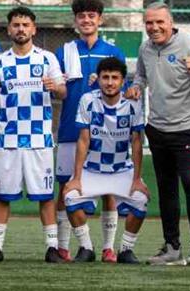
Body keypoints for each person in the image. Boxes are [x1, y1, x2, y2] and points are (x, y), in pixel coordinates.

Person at [126, 2, 190, 267]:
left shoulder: (189, 44)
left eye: (159, 23)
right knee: (166, 190)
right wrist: (135, 87)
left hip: (188, 128)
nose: (154, 28)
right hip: (157, 128)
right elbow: (140, 77)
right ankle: (171, 247)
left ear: (171, 22)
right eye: (149, 23)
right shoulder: (145, 48)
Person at [0, 6, 66, 263]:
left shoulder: (47, 59)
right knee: (3, 194)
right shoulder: (0, 62)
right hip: (9, 138)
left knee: (45, 195)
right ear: (9, 29)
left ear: (33, 29)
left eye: (25, 25)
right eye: (16, 25)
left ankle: (52, 248)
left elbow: (62, 92)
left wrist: (56, 87)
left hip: (39, 138)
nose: (20, 29)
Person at [54, 0, 126, 262]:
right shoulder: (64, 52)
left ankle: (108, 247)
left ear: (100, 19)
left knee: (109, 189)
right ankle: (64, 247)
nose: (86, 20)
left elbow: (124, 89)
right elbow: (57, 91)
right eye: (82, 16)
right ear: (75, 20)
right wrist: (54, 87)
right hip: (70, 131)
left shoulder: (113, 52)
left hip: (105, 134)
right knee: (65, 189)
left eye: (91, 16)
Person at [62, 57, 149, 264]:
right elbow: (83, 140)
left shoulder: (132, 104)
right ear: (98, 79)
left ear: (122, 81)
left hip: (121, 169)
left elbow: (136, 143)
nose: (110, 82)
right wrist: (77, 177)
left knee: (141, 200)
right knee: (70, 197)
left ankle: (126, 250)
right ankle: (86, 248)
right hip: (92, 168)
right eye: (105, 77)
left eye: (115, 78)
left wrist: (137, 178)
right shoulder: (87, 100)